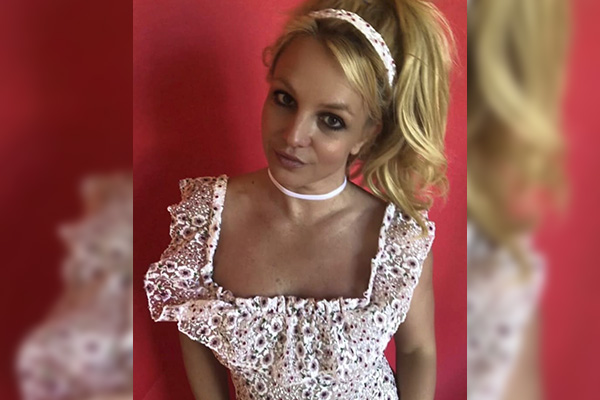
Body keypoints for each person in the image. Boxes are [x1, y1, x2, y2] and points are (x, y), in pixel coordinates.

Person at [144, 1, 453, 399]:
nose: (293, 136)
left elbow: (417, 350)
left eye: (331, 120)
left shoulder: (397, 241)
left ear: (367, 134)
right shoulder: (206, 220)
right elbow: (194, 331)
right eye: (285, 99)